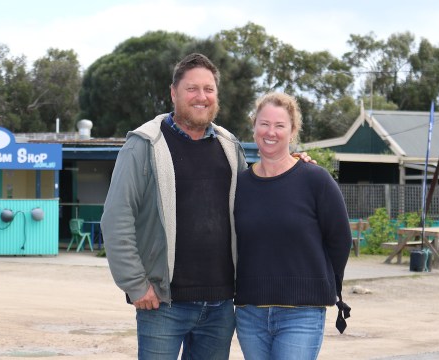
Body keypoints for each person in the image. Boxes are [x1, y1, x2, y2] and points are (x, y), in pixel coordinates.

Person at [101, 53, 311, 359]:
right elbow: (116, 218)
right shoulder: (143, 145)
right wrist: (136, 284)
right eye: (192, 89)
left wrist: (296, 167)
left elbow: (260, 192)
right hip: (163, 304)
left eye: (209, 89)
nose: (202, 97)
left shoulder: (230, 147)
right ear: (173, 93)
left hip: (220, 306)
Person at [233, 92, 352, 360]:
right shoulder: (239, 185)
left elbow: (340, 240)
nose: (270, 132)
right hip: (250, 312)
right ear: (254, 127)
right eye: (264, 124)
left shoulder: (315, 180)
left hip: (302, 313)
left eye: (279, 125)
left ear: (293, 131)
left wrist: (321, 285)